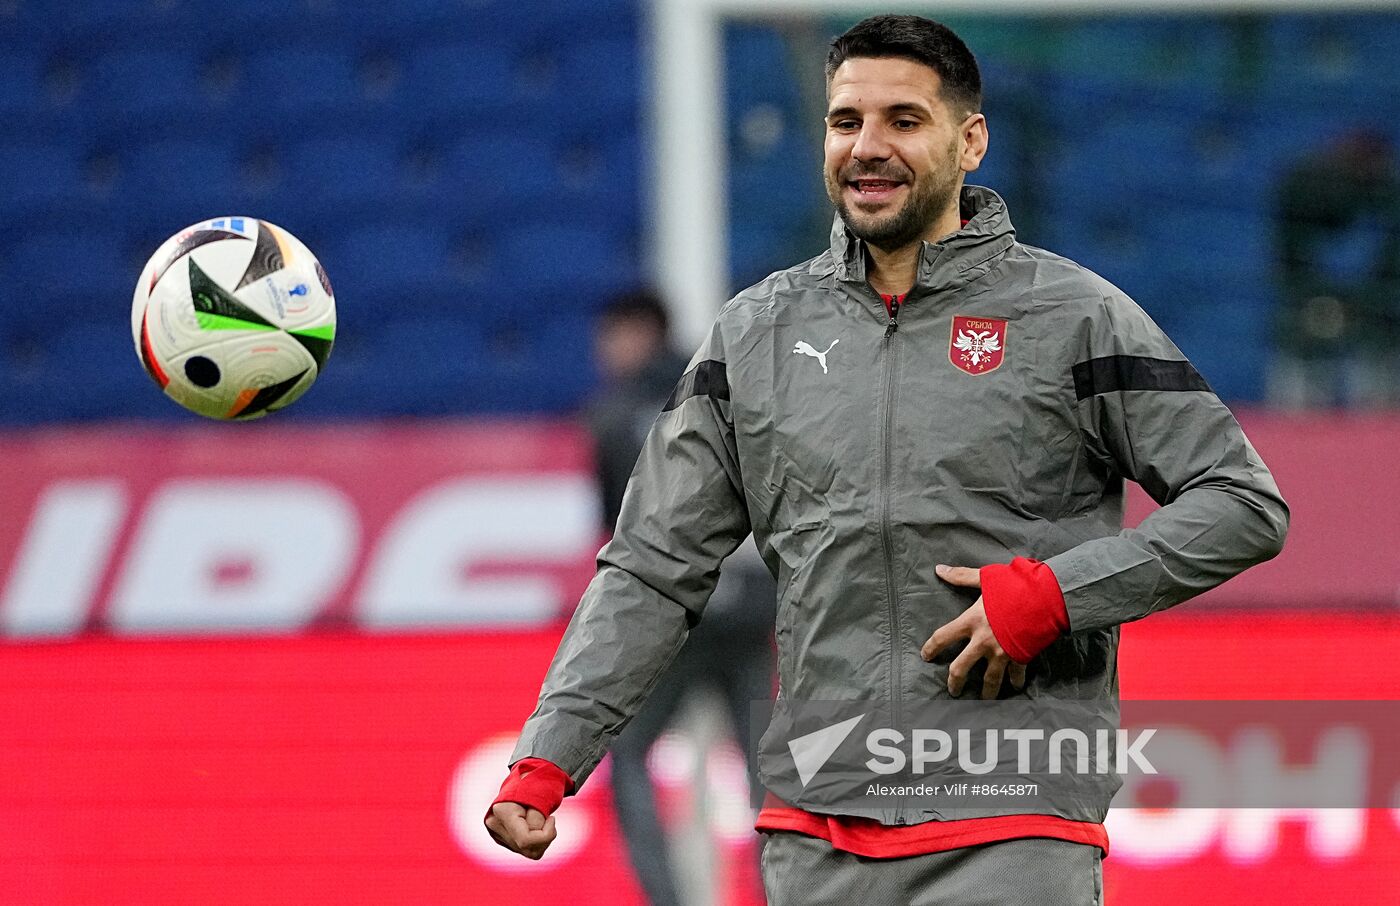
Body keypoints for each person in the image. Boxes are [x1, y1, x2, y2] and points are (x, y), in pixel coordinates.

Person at [486, 14, 1288, 903]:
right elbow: (651, 566)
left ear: (969, 140)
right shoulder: (756, 335)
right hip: (816, 831)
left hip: (1011, 819)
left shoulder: (1075, 316)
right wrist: (549, 754)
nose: (867, 147)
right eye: (845, 122)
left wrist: (1057, 597)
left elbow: (1242, 502)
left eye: (903, 120)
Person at [584, 291, 774, 906]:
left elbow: (619, 540)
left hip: (677, 618)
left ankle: (666, 898)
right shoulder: (739, 391)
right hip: (753, 611)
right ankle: (795, 892)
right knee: (775, 770)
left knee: (628, 752)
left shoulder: (615, 414)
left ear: (637, 331)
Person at [1270, 128, 1400, 409]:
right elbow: (1288, 259)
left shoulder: (1387, 194)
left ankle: (1379, 433)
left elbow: (1387, 264)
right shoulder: (1304, 187)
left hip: (1374, 304)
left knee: (1380, 344)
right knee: (1305, 337)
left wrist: (1367, 298)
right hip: (1310, 296)